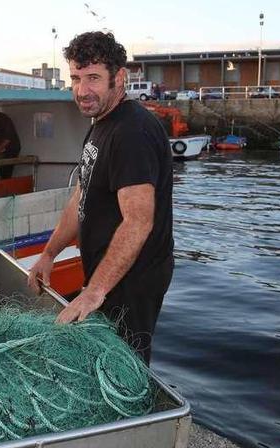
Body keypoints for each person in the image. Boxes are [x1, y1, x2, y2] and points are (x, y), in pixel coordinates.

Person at [27, 31, 174, 365]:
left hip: (132, 279)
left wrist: (95, 291)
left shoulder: (132, 132)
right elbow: (83, 196)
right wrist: (49, 253)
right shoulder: (101, 124)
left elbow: (139, 221)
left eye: (93, 78)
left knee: (125, 367)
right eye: (76, 78)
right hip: (107, 277)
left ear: (118, 78)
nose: (82, 90)